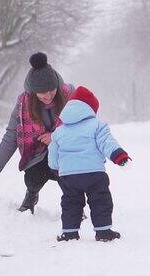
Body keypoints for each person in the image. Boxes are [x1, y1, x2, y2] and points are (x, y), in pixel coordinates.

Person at [0, 52, 74, 214]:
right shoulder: (23, 105)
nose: (48, 95)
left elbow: (82, 127)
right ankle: (32, 194)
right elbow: (11, 136)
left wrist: (55, 137)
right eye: (43, 92)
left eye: (51, 90)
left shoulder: (70, 96)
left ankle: (75, 204)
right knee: (32, 179)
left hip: (66, 153)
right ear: (33, 92)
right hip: (39, 154)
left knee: (70, 179)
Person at [48, 86, 131, 242]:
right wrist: (118, 155)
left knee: (71, 202)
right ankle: (103, 231)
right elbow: (107, 142)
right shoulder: (97, 126)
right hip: (94, 173)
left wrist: (55, 168)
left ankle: (69, 232)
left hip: (69, 176)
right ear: (90, 109)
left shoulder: (59, 131)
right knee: (100, 200)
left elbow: (53, 154)